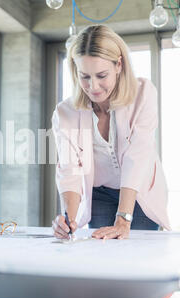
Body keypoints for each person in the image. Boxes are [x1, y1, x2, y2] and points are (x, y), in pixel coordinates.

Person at [51, 24, 170, 240]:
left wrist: (123, 219)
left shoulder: (143, 94)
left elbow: (138, 157)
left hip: (139, 192)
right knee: (104, 253)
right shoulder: (65, 112)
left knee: (138, 253)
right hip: (100, 194)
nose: (93, 86)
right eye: (84, 76)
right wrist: (68, 219)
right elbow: (69, 169)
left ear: (119, 65)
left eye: (101, 75)